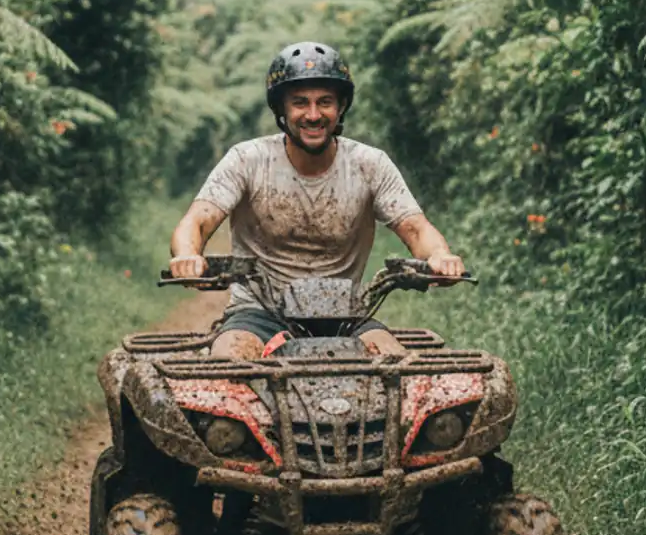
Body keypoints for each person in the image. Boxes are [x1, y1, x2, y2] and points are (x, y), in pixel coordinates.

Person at [169, 42, 466, 359]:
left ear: (341, 107)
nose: (313, 115)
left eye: (325, 102)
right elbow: (198, 220)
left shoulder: (369, 164)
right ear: (282, 109)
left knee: (395, 365)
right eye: (300, 103)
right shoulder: (247, 160)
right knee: (228, 363)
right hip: (257, 314)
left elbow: (416, 229)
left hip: (346, 315)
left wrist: (440, 256)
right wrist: (188, 255)